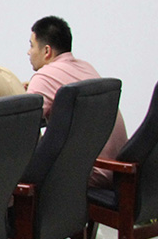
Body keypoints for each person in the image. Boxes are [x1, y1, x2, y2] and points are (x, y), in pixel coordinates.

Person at [25, 15, 128, 187]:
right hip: (118, 171)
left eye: (31, 45)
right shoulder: (86, 67)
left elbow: (24, 125)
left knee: (10, 178)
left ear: (47, 51)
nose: (29, 52)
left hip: (89, 174)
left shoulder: (44, 76)